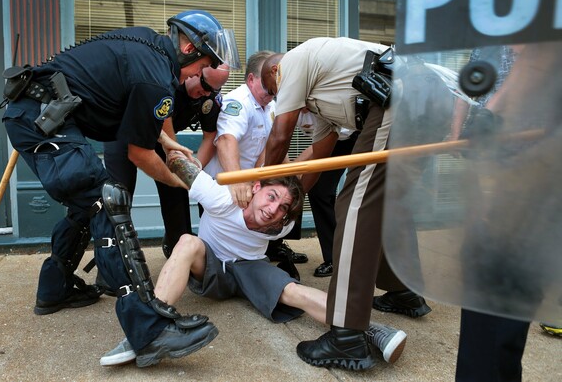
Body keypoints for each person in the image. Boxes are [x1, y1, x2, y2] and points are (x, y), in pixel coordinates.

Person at [1, 9, 240, 367]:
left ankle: (55, 289)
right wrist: (177, 181)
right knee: (106, 202)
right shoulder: (157, 76)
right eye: (206, 64)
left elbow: (131, 108)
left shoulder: (148, 48)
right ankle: (149, 330)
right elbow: (139, 154)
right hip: (43, 120)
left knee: (87, 203)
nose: (200, 74)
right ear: (190, 47)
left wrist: (169, 143)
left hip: (37, 114)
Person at [100, 150, 408, 369]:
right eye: (272, 197)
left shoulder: (281, 224)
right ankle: (148, 328)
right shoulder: (221, 196)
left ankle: (367, 329)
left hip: (250, 268)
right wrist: (175, 149)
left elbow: (297, 181)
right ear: (255, 187)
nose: (274, 210)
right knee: (187, 242)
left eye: (283, 208)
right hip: (211, 266)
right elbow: (178, 162)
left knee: (293, 291)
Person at [260, 38, 433, 370]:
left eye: (274, 91)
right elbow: (320, 156)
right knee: (384, 206)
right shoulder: (323, 100)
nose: (277, 99)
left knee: (353, 205)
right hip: (408, 101)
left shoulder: (294, 62)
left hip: (398, 95)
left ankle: (347, 335)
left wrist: (265, 184)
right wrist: (289, 203)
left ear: (276, 71)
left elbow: (280, 136)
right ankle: (403, 291)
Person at [453, 42, 561, 381]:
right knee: (487, 273)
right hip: (511, 172)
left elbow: (538, 56)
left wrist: (494, 114)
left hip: (540, 172)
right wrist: (487, 117)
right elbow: (531, 59)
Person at [101, 64, 230, 262]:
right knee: (119, 195)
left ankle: (180, 249)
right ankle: (112, 264)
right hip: (124, 135)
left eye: (214, 89)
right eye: (204, 85)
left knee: (177, 187)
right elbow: (163, 129)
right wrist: (176, 157)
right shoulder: (166, 83)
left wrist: (195, 165)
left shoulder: (208, 98)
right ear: (194, 73)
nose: (205, 93)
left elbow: (210, 136)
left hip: (163, 140)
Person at [202, 50, 308, 268]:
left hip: (252, 184)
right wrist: (237, 179)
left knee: (287, 197)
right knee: (220, 250)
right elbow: (226, 140)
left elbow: (273, 146)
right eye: (268, 84)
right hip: (225, 185)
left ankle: (274, 248)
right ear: (251, 79)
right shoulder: (237, 102)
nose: (273, 90)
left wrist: (289, 178)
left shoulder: (271, 105)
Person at [292, 108, 359, 277]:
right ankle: (335, 259)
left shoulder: (323, 101)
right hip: (334, 139)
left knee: (360, 195)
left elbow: (326, 142)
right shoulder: (287, 105)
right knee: (319, 192)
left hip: (359, 135)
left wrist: (294, 169)